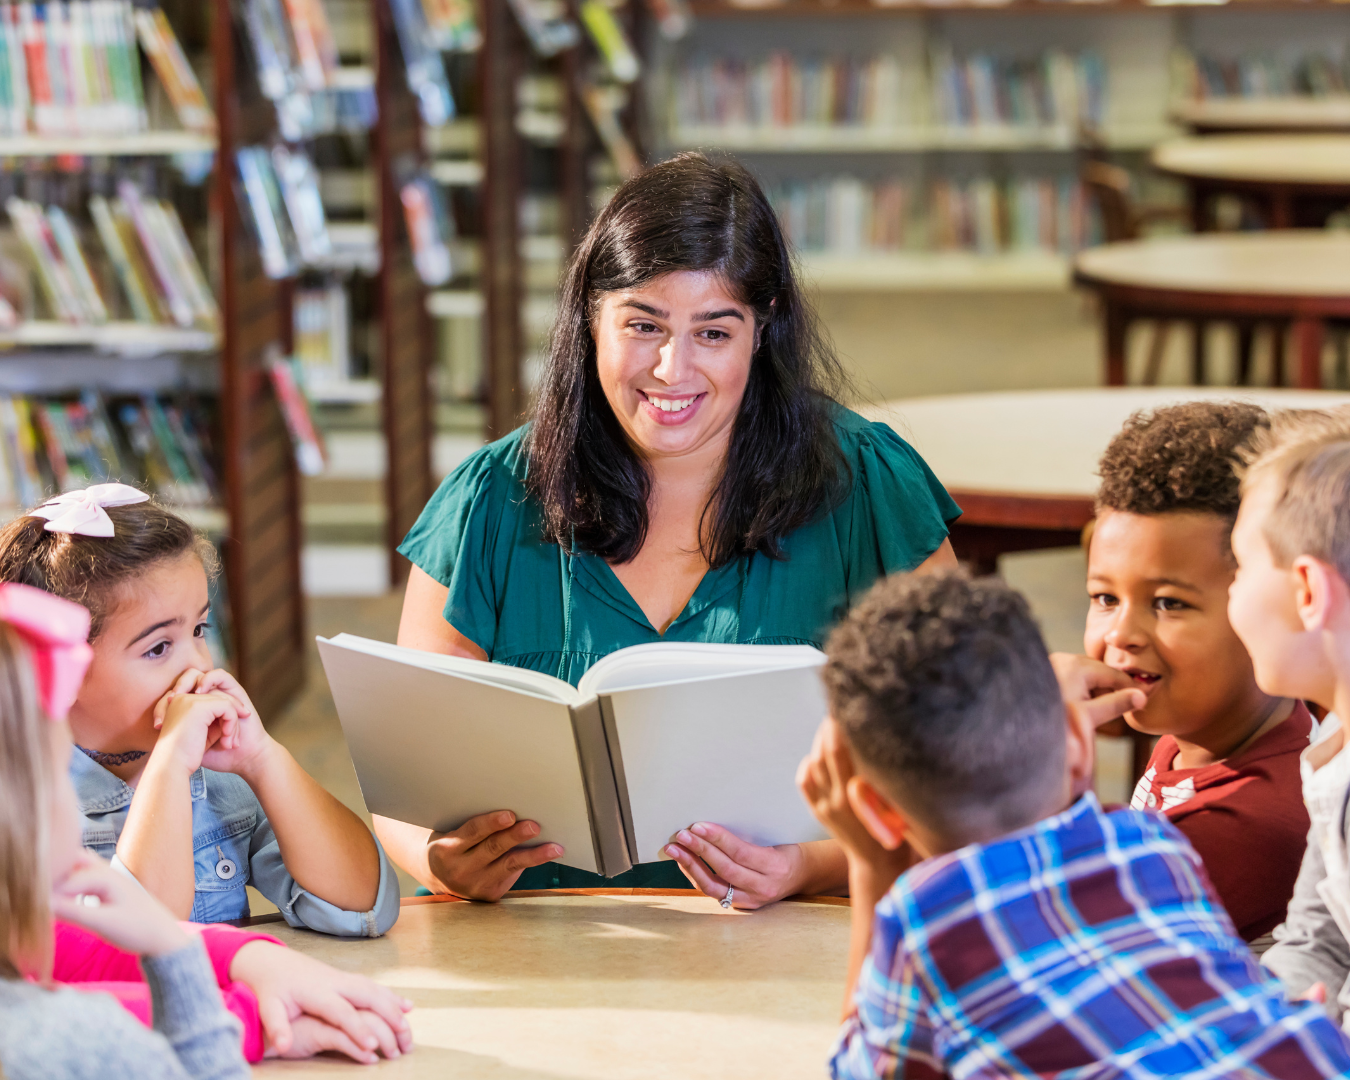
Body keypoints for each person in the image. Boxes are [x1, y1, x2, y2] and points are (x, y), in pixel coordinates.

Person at [388, 152, 961, 906]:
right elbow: (399, 782)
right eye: (642, 324)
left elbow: (960, 756)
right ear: (590, 318)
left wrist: (812, 865)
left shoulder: (865, 484)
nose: (671, 368)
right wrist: (439, 862)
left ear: (764, 330)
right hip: (537, 939)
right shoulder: (489, 499)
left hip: (786, 944)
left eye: (714, 334)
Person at [799, 568, 1350, 1079]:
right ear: (1080, 744)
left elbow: (860, 1067)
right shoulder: (1154, 844)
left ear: (873, 809)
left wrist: (871, 865)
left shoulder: (922, 922)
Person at [0, 483, 400, 933]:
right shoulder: (21, 803)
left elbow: (365, 908)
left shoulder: (222, 780)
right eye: (158, 648)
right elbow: (139, 952)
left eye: (199, 629)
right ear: (57, 668)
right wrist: (168, 769)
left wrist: (263, 759)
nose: (198, 665)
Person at [1080, 401, 1312, 946]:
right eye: (1105, 597)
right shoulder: (1199, 742)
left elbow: (1059, 942)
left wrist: (1037, 770)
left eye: (1169, 603)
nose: (1121, 634)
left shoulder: (1246, 822)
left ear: (1268, 604)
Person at [0, 578, 249, 1079]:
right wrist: (173, 954)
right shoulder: (79, 1041)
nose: (198, 669)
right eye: (56, 777)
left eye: (200, 629)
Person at [1228, 406, 1350, 1022]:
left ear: (1307, 593)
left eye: (1241, 567)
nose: (1232, 594)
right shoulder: (1336, 744)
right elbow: (1317, 937)